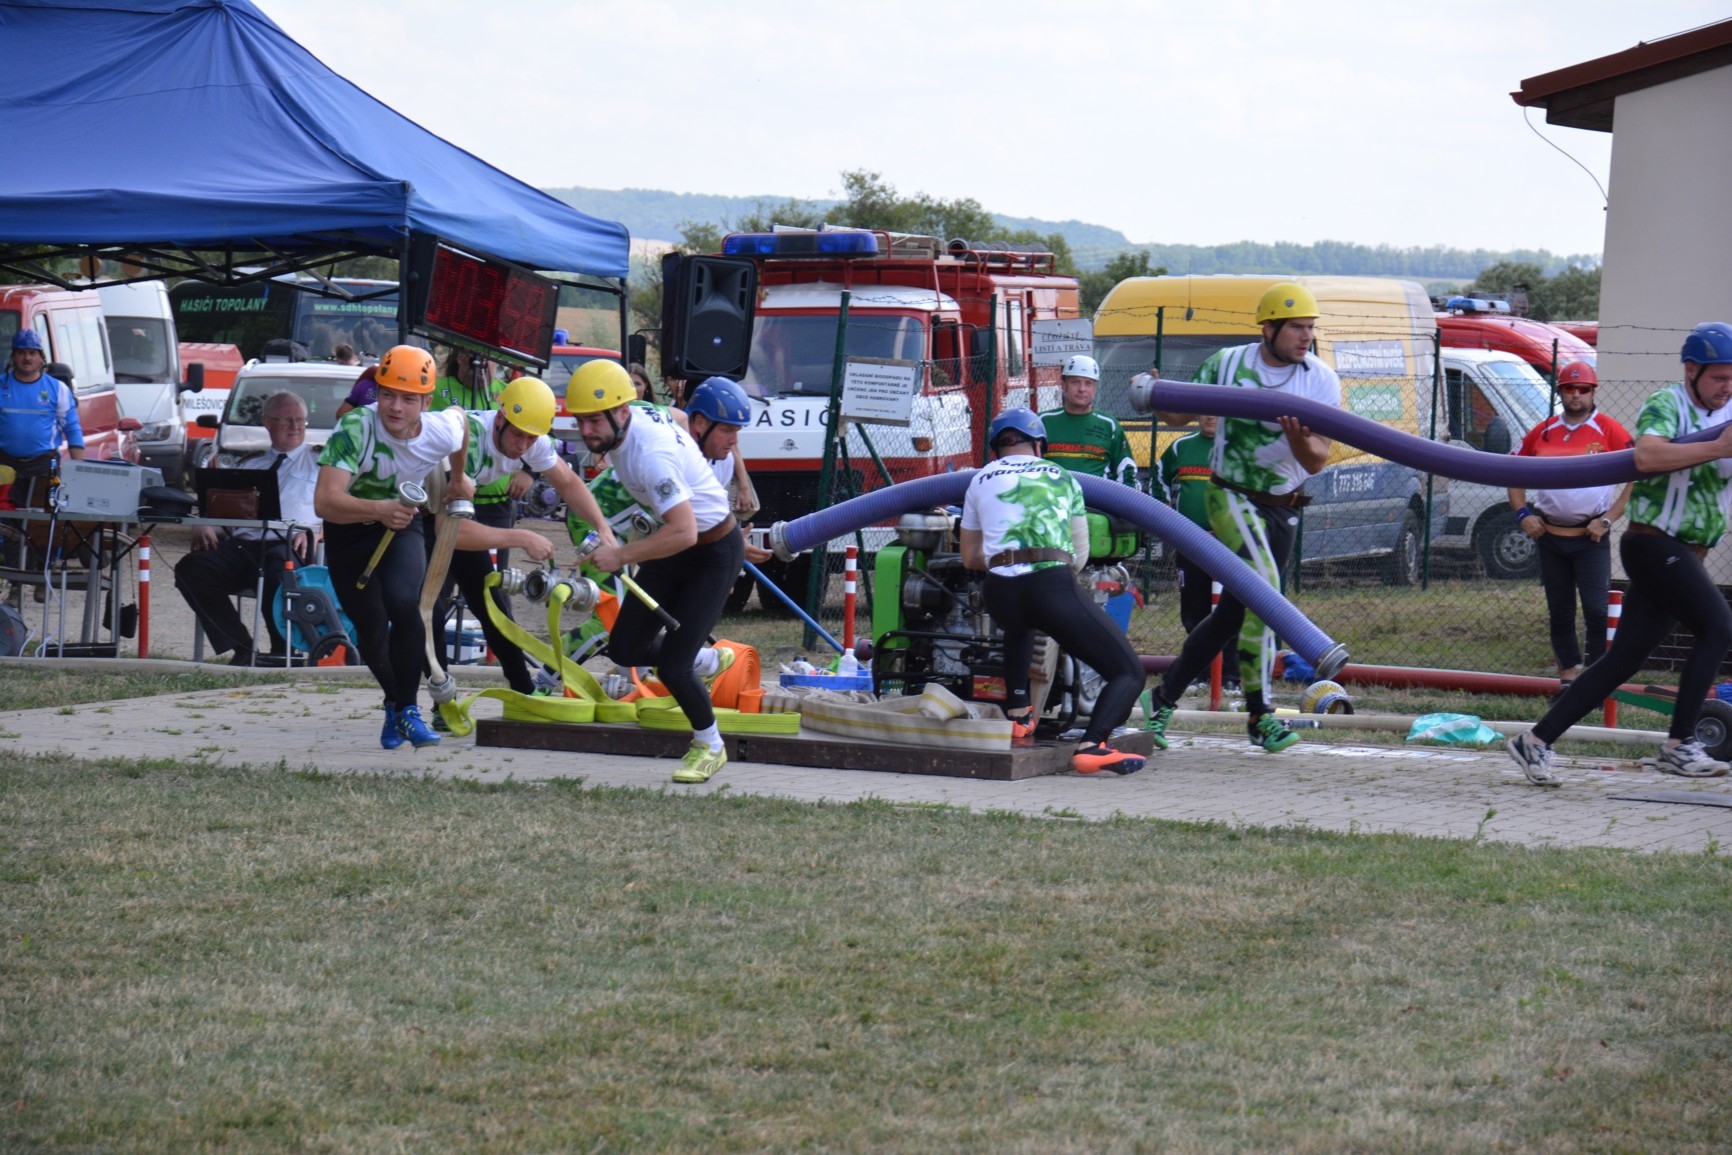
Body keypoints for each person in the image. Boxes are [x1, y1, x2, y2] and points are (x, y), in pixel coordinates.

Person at [1507, 323, 1732, 785]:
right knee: (1718, 627)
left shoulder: (1728, 411)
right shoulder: (1667, 404)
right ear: (1691, 371)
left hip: (1687, 553)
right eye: (1719, 377)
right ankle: (1679, 744)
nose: (1726, 387)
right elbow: (1646, 457)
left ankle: (1535, 740)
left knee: (1622, 660)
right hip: (1655, 545)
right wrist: (1717, 447)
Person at [1145, 282, 1340, 754]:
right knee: (1266, 595)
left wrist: (1297, 437)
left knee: (1232, 614)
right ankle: (1260, 714)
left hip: (1284, 506)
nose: (1306, 337)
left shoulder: (1319, 379)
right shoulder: (1229, 364)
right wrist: (1156, 393)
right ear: (1268, 328)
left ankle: (1162, 698)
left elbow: (1316, 460)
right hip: (1230, 496)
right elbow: (1178, 416)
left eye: (1310, 327)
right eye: (1296, 327)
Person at [566, 359, 744, 784]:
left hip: (713, 551)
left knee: (674, 668)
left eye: (594, 421)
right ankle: (706, 659)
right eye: (580, 420)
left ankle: (710, 745)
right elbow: (678, 416)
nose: (587, 431)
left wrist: (621, 555)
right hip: (675, 544)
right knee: (625, 648)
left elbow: (684, 531)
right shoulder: (640, 415)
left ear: (621, 411)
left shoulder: (652, 457)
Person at [959, 408, 1147, 775]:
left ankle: (1019, 715)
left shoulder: (979, 479)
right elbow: (1079, 554)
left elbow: (969, 557)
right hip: (1050, 585)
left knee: (1020, 624)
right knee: (1129, 672)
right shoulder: (1062, 476)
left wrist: (1009, 561)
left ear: (997, 447)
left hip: (1000, 593)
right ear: (1039, 445)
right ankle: (1093, 745)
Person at [316, 345, 473, 750]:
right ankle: (393, 702)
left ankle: (408, 710)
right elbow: (325, 502)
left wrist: (458, 478)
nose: (396, 407)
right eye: (387, 395)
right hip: (348, 530)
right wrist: (379, 509)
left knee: (407, 604)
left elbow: (461, 422)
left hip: (403, 524)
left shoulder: (439, 428)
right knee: (370, 630)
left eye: (408, 399)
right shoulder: (355, 427)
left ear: (426, 402)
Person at [443, 376, 618, 694]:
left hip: (445, 516)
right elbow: (450, 533)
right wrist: (522, 538)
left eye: (531, 438)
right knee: (424, 610)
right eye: (518, 435)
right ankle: (431, 702)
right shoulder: (471, 438)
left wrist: (602, 527)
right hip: (411, 517)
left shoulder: (530, 441)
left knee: (492, 607)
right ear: (500, 419)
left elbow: (569, 483)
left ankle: (525, 693)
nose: (523, 446)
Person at [1505, 360, 1634, 696]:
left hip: (1590, 539)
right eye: (1569, 388)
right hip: (1550, 538)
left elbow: (1638, 473)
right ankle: (1567, 682)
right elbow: (1511, 470)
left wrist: (1608, 519)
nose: (1576, 395)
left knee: (1596, 611)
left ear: (1593, 392)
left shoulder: (1609, 430)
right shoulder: (1543, 430)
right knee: (1560, 612)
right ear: (1560, 392)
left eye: (1583, 389)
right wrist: (1523, 514)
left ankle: (1596, 683)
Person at [175, 391, 319, 665]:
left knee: (279, 571)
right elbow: (227, 516)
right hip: (243, 545)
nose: (295, 426)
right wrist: (204, 523)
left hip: (288, 544)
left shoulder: (320, 464)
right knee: (192, 568)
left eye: (300, 420)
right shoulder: (251, 464)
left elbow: (336, 508)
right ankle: (242, 648)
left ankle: (282, 653)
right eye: (287, 420)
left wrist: (319, 530)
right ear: (267, 422)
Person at [1158, 411, 1241, 690]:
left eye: (1217, 413)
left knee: (1230, 609)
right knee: (1194, 611)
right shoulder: (1180, 447)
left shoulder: (1237, 449)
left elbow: (1250, 493)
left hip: (1228, 544)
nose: (1210, 418)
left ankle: (1230, 677)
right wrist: (1166, 513)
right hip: (1190, 543)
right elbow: (1158, 480)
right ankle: (1200, 674)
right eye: (1205, 412)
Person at [0, 330, 82, 507]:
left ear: (41, 358)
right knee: (5, 517)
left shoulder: (58, 389)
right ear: (13, 357)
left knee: (39, 519)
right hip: (4, 464)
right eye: (21, 352)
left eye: (32, 353)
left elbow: (72, 428)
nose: (27, 358)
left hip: (43, 466)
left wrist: (79, 471)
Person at [1037, 354, 1137, 487]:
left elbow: (1126, 470)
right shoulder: (1042, 422)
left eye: (1088, 383)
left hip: (1095, 499)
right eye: (1075, 382)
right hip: (1053, 498)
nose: (1082, 389)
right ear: (1064, 385)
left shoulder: (1109, 425)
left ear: (1095, 388)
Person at [429, 347, 505, 413]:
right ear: (460, 358)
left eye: (488, 357)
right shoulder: (434, 389)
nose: (483, 363)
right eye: (477, 357)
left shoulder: (506, 390)